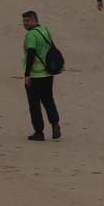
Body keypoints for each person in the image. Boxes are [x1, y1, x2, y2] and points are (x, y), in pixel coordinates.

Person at [21, 9, 61, 141]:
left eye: (27, 20)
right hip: (48, 73)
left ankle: (39, 131)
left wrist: (27, 74)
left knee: (34, 104)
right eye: (24, 21)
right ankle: (55, 123)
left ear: (34, 20)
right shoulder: (45, 30)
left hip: (35, 75)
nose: (25, 23)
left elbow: (31, 54)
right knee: (49, 99)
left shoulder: (31, 35)